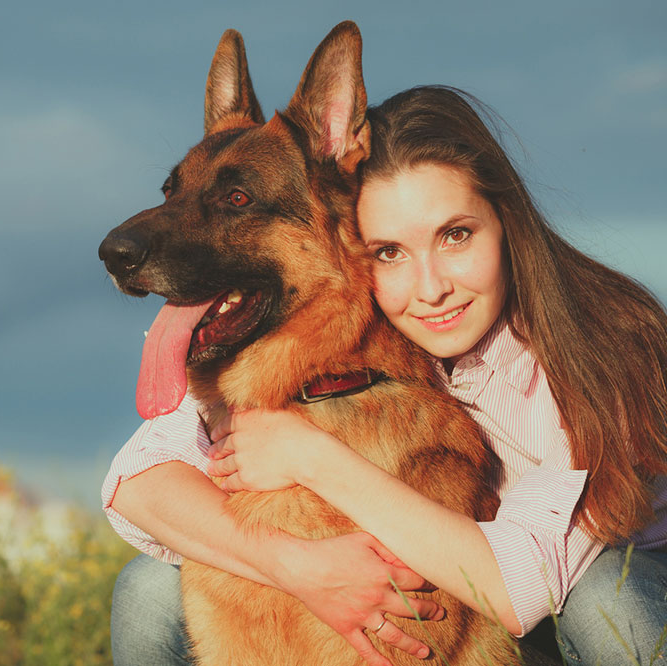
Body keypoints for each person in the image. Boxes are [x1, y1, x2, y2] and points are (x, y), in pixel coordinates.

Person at [102, 86, 667, 666]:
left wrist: (307, 453)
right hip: (493, 585)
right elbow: (134, 482)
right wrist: (300, 569)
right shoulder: (360, 335)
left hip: (580, 591)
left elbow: (518, 586)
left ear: (508, 221)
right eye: (390, 252)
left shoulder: (603, 346)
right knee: (147, 589)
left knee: (610, 598)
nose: (430, 288)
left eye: (456, 235)